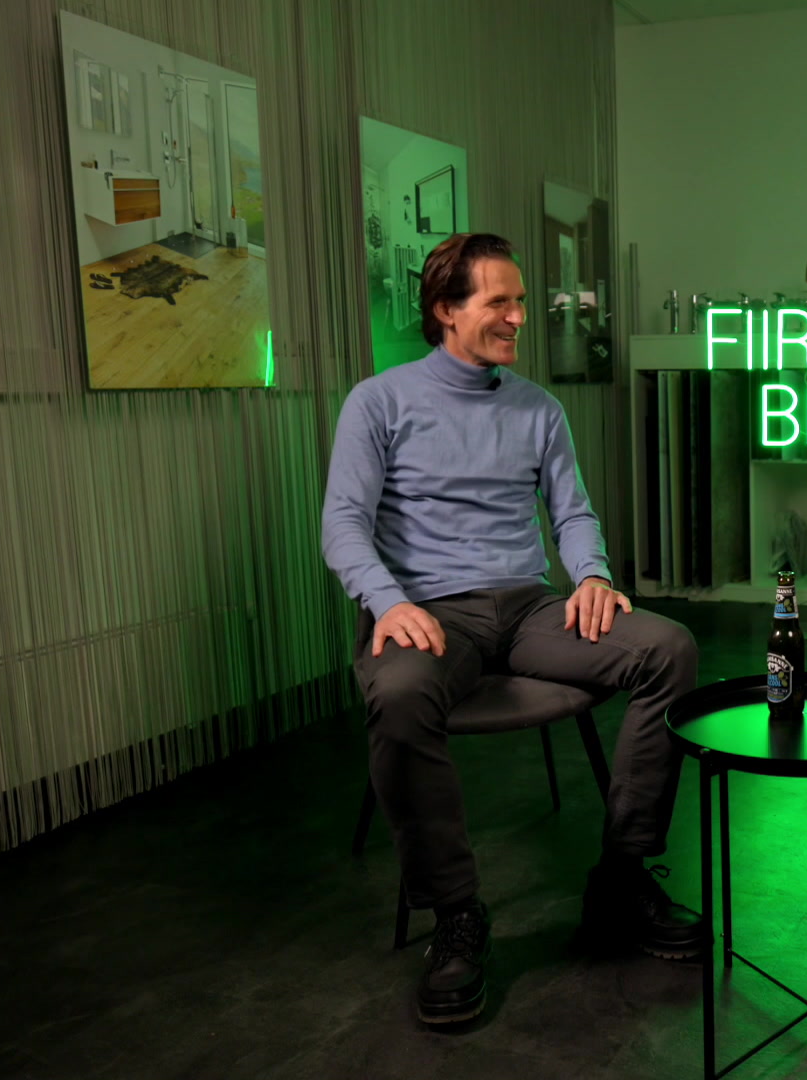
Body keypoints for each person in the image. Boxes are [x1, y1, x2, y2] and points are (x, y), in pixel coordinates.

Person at [322, 233, 705, 1025]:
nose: (519, 317)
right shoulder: (379, 402)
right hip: (431, 612)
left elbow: (572, 512)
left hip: (529, 608)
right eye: (500, 302)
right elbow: (343, 525)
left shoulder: (538, 408)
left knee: (668, 649)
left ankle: (622, 877)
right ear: (445, 310)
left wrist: (592, 575)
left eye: (520, 301)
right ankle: (456, 915)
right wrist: (388, 602)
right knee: (399, 695)